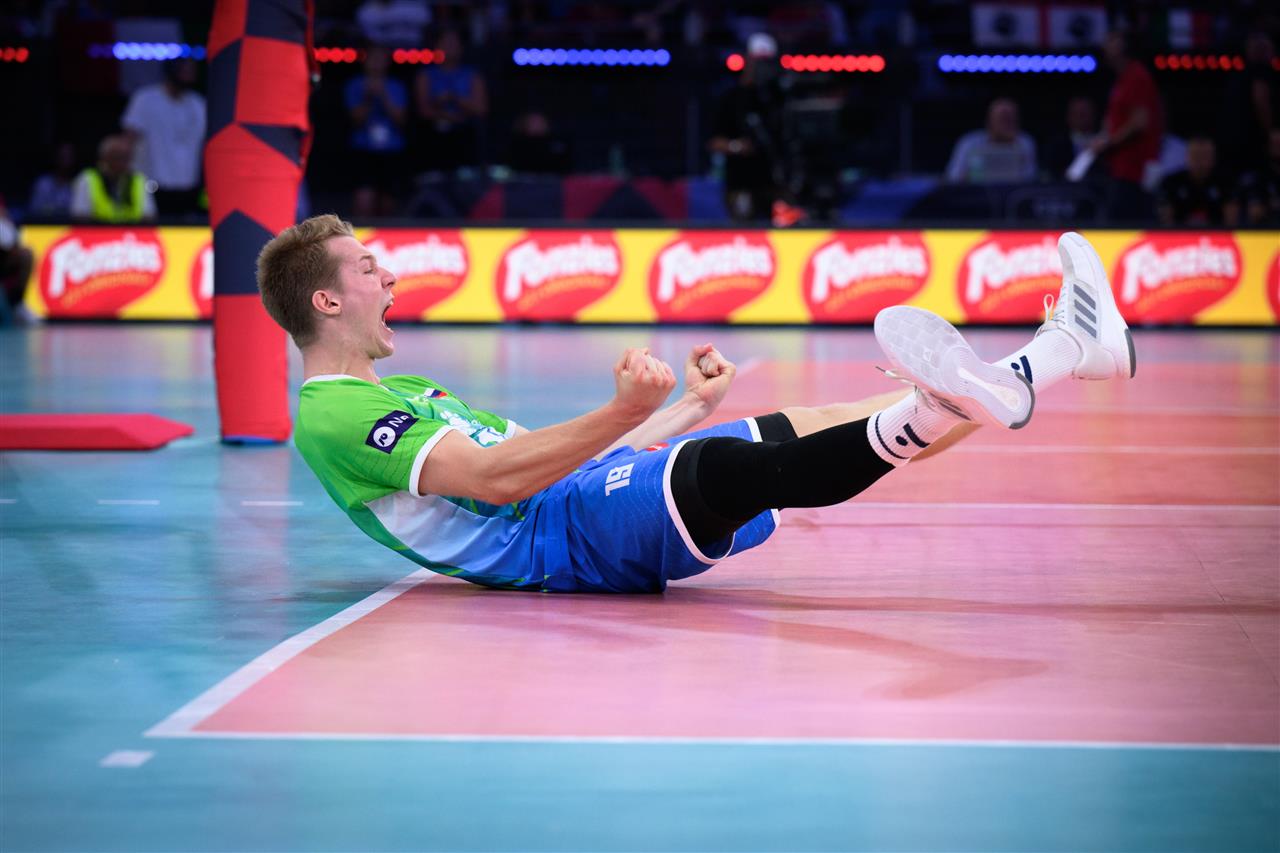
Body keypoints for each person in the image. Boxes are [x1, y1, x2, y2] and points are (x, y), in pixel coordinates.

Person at [255, 216, 1135, 594]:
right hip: (565, 546)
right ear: (325, 301)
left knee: (826, 422)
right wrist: (620, 412)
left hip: (581, 497)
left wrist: (681, 406)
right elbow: (496, 481)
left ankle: (1064, 351)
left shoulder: (405, 390)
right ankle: (979, 388)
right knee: (731, 468)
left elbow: (563, 460)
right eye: (367, 268)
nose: (390, 276)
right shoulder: (333, 414)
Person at [709, 33, 786, 221]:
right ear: (747, 60)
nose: (762, 67)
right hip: (740, 181)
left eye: (766, 61)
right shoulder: (731, 98)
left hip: (774, 182)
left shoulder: (779, 98)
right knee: (744, 228)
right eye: (758, 61)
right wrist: (737, 147)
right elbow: (714, 142)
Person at [121, 58, 206, 218]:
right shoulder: (145, 99)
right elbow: (128, 140)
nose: (190, 76)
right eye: (186, 71)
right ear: (172, 72)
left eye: (192, 72)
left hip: (188, 188)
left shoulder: (198, 104)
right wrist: (126, 180)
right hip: (151, 185)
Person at [1091, 30, 1163, 187]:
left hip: (1135, 170)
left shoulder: (1137, 75)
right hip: (1119, 168)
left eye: (1110, 41)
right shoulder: (1121, 80)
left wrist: (1108, 143)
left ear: (1122, 45)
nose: (1104, 46)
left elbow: (1140, 122)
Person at [346, 45, 409, 217]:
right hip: (363, 149)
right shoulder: (355, 85)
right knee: (364, 199)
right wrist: (368, 97)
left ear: (387, 62)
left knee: (388, 201)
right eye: (372, 58)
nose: (376, 63)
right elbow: (355, 120)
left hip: (392, 150)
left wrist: (383, 95)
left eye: (380, 59)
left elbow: (401, 120)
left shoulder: (396, 86)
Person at [413, 29, 487, 172]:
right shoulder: (426, 75)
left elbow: (481, 109)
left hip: (465, 132)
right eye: (446, 43)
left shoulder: (472, 75)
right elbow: (423, 110)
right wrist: (444, 110)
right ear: (437, 46)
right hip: (434, 132)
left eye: (454, 43)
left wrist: (454, 98)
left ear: (461, 47)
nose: (450, 47)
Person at [945, 98, 1037, 185]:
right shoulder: (969, 142)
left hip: (1012, 194)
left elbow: (1030, 178)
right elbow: (953, 177)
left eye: (1011, 119)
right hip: (975, 193)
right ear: (989, 120)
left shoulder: (1025, 142)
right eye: (1003, 118)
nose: (1007, 123)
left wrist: (1013, 146)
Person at [69, 135, 157, 224]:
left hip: (132, 231)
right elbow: (80, 216)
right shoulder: (87, 179)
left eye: (127, 157)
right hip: (97, 230)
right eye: (118, 157)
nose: (124, 162)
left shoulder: (139, 180)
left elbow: (148, 216)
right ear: (105, 157)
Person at [1156, 136, 1238, 226]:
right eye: (1195, 156)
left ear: (1213, 158)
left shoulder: (1225, 182)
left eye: (1204, 156)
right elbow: (1166, 220)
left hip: (1217, 232)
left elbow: (1231, 221)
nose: (1199, 161)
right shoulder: (1171, 182)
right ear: (1186, 157)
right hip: (1180, 232)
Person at [1044, 96, 1100, 179]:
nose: (1080, 118)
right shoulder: (1057, 146)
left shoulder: (1104, 143)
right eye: (1076, 114)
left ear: (1094, 115)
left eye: (1084, 114)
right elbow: (1062, 177)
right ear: (1068, 117)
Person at [28, 141, 78, 220]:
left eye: (69, 157)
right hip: (43, 225)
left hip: (70, 226)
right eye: (63, 157)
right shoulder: (43, 183)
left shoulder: (77, 185)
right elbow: (34, 211)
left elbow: (78, 213)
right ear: (56, 158)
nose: (66, 162)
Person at [1240, 128, 1280, 225]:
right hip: (1266, 228)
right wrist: (1269, 206)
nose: (1278, 148)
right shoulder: (1260, 175)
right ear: (1268, 147)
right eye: (1275, 144)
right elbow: (1255, 212)